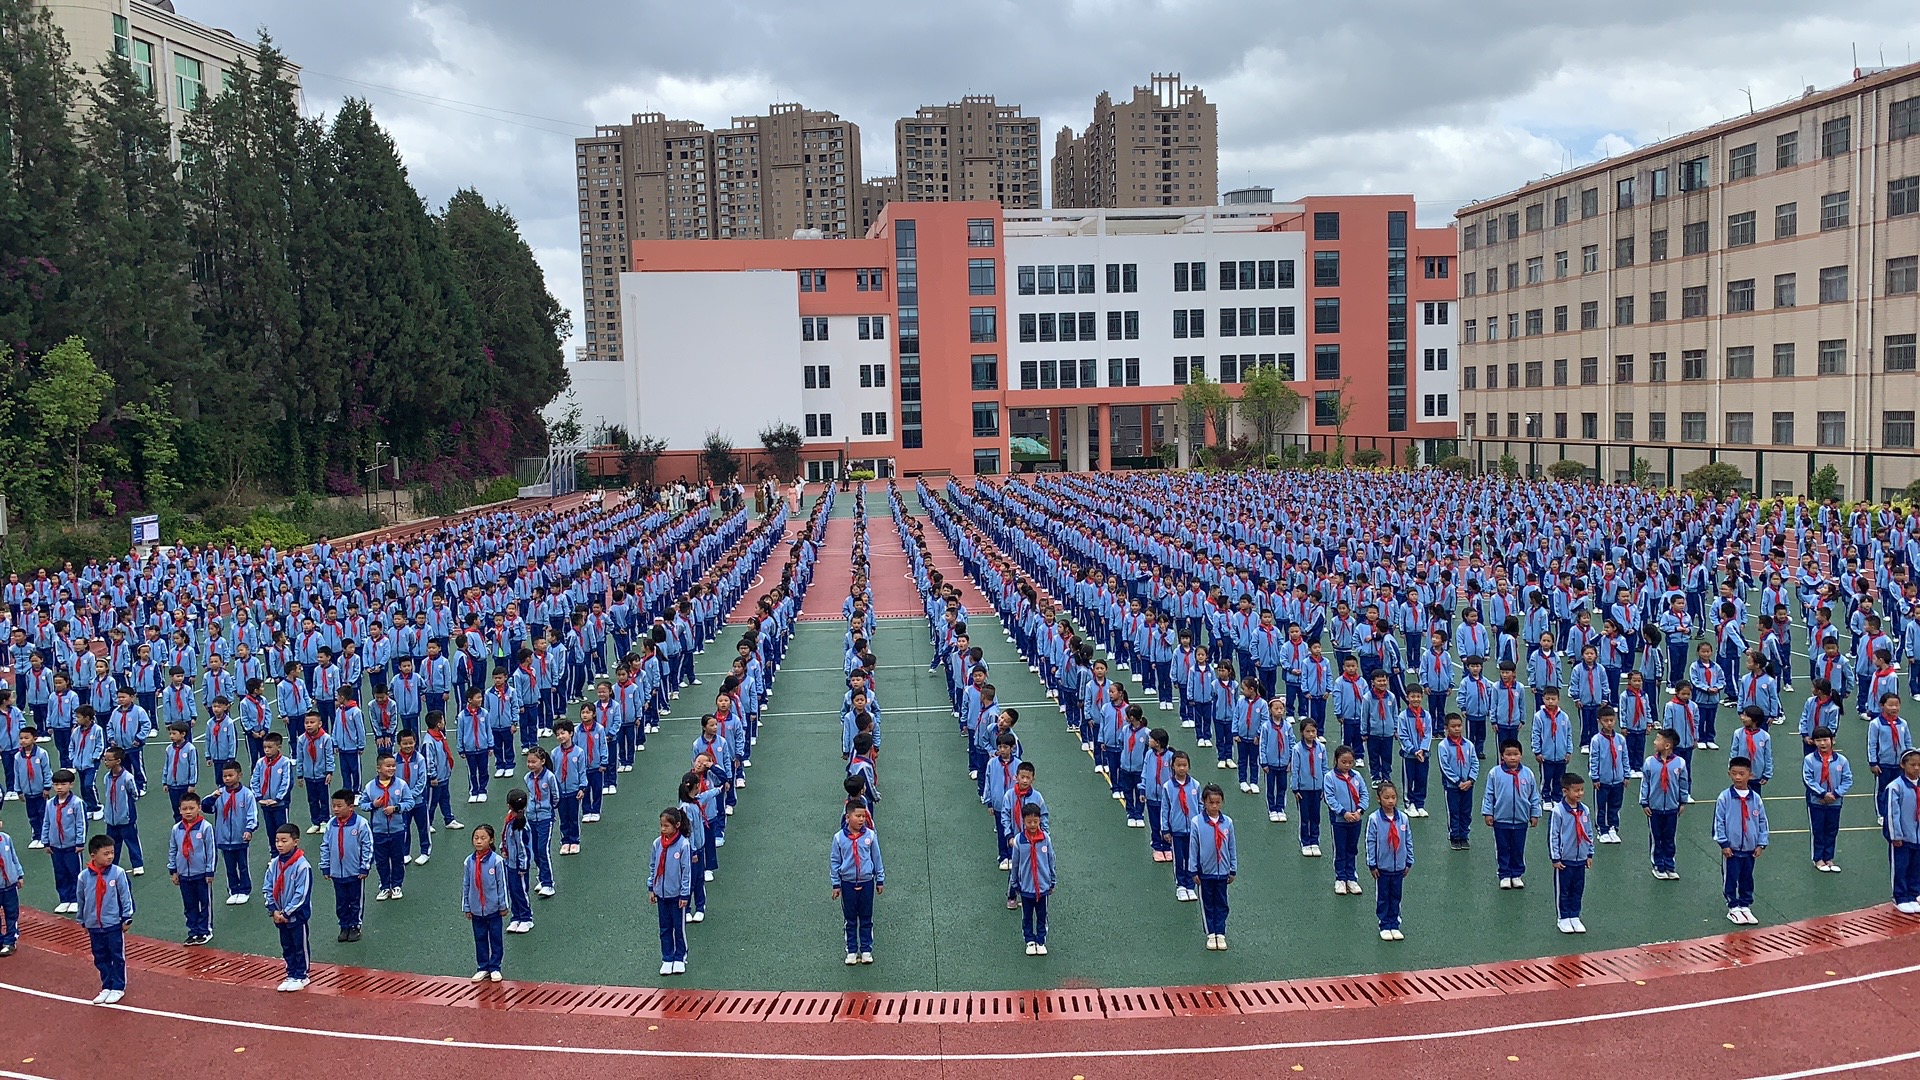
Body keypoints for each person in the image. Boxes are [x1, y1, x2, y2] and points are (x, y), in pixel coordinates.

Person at [78, 834, 134, 1004]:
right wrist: (82, 920)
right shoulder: (84, 877)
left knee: (116, 955)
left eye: (112, 853)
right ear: (93, 855)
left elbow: (125, 896)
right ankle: (106, 985)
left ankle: (118, 986)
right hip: (94, 925)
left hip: (113, 924)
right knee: (100, 956)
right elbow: (81, 899)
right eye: (106, 853)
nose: (110, 856)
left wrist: (127, 918)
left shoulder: (117, 873)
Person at [1715, 756, 1770, 924]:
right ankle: (1733, 906)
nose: (1738, 777)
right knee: (1731, 877)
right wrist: (1723, 843)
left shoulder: (1755, 799)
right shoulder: (1724, 797)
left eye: (1742, 774)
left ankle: (1745, 905)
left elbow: (1762, 821)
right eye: (1734, 774)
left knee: (1747, 877)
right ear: (1729, 774)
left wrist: (1761, 843)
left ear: (1750, 775)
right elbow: (1719, 821)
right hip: (1731, 848)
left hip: (1750, 848)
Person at [1481, 738, 1541, 889]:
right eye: (1508, 754)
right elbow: (1489, 794)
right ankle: (1504, 874)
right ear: (1502, 756)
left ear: (1521, 755)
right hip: (1501, 819)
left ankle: (1517, 874)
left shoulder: (1528, 774)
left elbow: (1534, 795)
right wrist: (1488, 812)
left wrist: (1534, 813)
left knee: (1518, 848)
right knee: (1502, 847)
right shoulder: (1495, 773)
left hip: (1521, 819)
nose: (1512, 757)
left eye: (1516, 754)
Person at [829, 800, 884, 965]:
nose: (861, 820)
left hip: (867, 882)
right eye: (857, 816)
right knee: (850, 918)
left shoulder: (870, 836)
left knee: (866, 917)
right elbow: (834, 861)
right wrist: (836, 884)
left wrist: (879, 878)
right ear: (848, 817)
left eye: (863, 816)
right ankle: (852, 951)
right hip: (847, 883)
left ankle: (866, 950)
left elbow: (877, 858)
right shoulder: (838, 838)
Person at [261, 823, 312, 992]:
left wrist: (286, 912)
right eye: (277, 841)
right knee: (286, 945)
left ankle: (302, 975)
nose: (280, 845)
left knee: (299, 945)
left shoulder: (302, 865)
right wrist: (273, 909)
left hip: (296, 916)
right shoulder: (274, 864)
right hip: (279, 914)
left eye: (284, 841)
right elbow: (267, 887)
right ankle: (290, 973)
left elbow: (302, 894)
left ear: (295, 841)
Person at [319, 789, 372, 942]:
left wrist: (364, 867)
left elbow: (368, 846)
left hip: (355, 872)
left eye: (339, 806)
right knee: (341, 902)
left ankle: (355, 926)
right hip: (337, 873)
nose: (335, 809)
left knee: (355, 901)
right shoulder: (331, 824)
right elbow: (325, 846)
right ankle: (344, 926)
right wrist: (326, 866)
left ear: (350, 807)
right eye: (333, 806)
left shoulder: (361, 824)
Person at [1190, 783, 1237, 950]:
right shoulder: (1197, 822)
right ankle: (1211, 933)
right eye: (1211, 803)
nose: (1215, 806)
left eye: (1218, 802)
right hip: (1205, 871)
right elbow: (1193, 847)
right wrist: (1193, 869)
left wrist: (1233, 868)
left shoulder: (1228, 823)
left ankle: (1220, 932)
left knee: (1222, 903)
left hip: (1222, 871)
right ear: (1204, 802)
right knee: (1207, 903)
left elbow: (1231, 846)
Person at [1365, 779, 1413, 940]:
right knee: (1383, 896)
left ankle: (1395, 923)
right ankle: (1384, 924)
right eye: (1386, 797)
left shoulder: (1403, 819)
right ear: (1379, 798)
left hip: (1399, 866)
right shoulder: (1374, 819)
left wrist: (1409, 861)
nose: (1391, 801)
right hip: (1382, 867)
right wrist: (1372, 863)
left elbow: (1408, 840)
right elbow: (1370, 842)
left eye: (1393, 797)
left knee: (1396, 895)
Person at [1549, 772, 1596, 933]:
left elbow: (1589, 833)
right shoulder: (1558, 811)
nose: (1580, 794)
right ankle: (1563, 917)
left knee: (1578, 889)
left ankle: (1575, 916)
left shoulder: (1586, 811)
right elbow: (1554, 835)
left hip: (1580, 859)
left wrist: (1589, 854)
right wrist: (1555, 857)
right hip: (1564, 860)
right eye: (1576, 790)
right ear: (1565, 791)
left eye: (1582, 790)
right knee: (1564, 890)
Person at [1641, 728, 1690, 880]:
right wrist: (1644, 802)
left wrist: (1683, 801)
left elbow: (1683, 784)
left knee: (1669, 837)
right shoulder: (1650, 762)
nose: (1655, 742)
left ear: (1667, 745)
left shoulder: (1680, 763)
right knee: (1656, 836)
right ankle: (1658, 865)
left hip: (1671, 807)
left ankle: (1669, 865)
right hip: (1654, 808)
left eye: (1658, 739)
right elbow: (1645, 783)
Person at [648, 807, 693, 976]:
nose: (663, 829)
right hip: (661, 894)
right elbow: (653, 867)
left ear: (677, 825)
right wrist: (652, 887)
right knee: (664, 927)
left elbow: (686, 871)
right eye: (661, 825)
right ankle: (667, 958)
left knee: (678, 927)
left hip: (677, 896)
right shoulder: (657, 844)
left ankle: (680, 957)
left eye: (666, 826)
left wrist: (684, 894)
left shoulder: (683, 845)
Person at [463, 822, 509, 982]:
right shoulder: (469, 861)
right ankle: (482, 966)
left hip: (494, 909)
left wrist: (503, 905)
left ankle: (495, 966)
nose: (478, 841)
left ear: (491, 840)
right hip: (476, 909)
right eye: (476, 838)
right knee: (480, 937)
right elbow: (466, 884)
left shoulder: (496, 861)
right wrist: (467, 906)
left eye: (483, 838)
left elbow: (501, 884)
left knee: (495, 937)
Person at [1802, 727, 1851, 872]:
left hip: (1835, 802)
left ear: (1832, 740)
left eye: (1825, 740)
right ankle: (1818, 859)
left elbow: (1847, 780)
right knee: (1818, 830)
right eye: (1818, 740)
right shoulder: (1809, 760)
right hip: (1816, 801)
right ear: (1814, 742)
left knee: (1832, 830)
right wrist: (1823, 794)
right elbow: (1808, 779)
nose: (1822, 743)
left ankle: (1829, 858)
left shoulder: (1841, 761)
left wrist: (1835, 794)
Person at [1009, 802, 1054, 955]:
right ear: (1024, 821)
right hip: (1026, 886)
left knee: (1042, 915)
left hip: (1042, 886)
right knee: (1027, 916)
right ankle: (1030, 940)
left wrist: (1052, 880)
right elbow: (1015, 864)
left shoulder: (1045, 839)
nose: (1033, 824)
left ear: (1040, 820)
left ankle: (1041, 940)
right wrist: (1014, 883)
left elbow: (1051, 860)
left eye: (1035, 821)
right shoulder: (1019, 841)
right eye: (1029, 822)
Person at [1324, 744, 1369, 892]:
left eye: (1350, 762)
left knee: (1352, 849)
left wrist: (1359, 811)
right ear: (1336, 760)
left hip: (1356, 820)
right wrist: (1344, 813)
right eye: (1344, 762)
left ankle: (1351, 877)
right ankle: (1340, 878)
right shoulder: (1330, 777)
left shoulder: (1357, 776)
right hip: (1339, 821)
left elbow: (1364, 794)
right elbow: (1330, 799)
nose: (1347, 765)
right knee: (1340, 849)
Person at [1437, 712, 1479, 850]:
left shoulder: (1469, 745)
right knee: (1454, 811)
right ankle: (1454, 836)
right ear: (1447, 728)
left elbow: (1474, 763)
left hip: (1468, 785)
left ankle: (1464, 835)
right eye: (1453, 726)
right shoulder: (1443, 746)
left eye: (1459, 726)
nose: (1457, 729)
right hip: (1452, 786)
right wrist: (1457, 781)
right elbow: (1445, 767)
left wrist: (1470, 780)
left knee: (1466, 811)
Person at [1588, 707, 1628, 844]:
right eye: (1606, 721)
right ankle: (1602, 829)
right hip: (1603, 780)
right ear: (1599, 721)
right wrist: (1595, 777)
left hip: (1618, 780)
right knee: (1601, 806)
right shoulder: (1596, 740)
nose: (1609, 723)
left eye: (1611, 720)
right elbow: (1593, 759)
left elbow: (1624, 758)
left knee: (1615, 805)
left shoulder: (1620, 740)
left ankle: (1612, 827)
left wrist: (1626, 775)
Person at [1888, 749, 1920, 913]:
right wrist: (1895, 835)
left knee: (1916, 866)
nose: (1916, 768)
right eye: (1912, 765)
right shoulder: (1895, 787)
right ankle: (1899, 897)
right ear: (1903, 765)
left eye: (1919, 765)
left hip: (1918, 836)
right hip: (1903, 836)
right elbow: (1893, 813)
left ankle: (1913, 894)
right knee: (1901, 867)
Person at [500, 788, 535, 934]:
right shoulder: (510, 819)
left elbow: (523, 849)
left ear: (508, 805)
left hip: (519, 866)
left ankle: (526, 918)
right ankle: (516, 917)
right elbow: (505, 835)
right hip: (510, 862)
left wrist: (523, 867)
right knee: (512, 890)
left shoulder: (520, 826)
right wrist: (503, 847)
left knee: (521, 891)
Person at [0, 811, 22, 956]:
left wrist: (19, 874)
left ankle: (10, 940)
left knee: (12, 913)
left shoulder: (6, 838)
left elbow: (14, 857)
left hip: (9, 885)